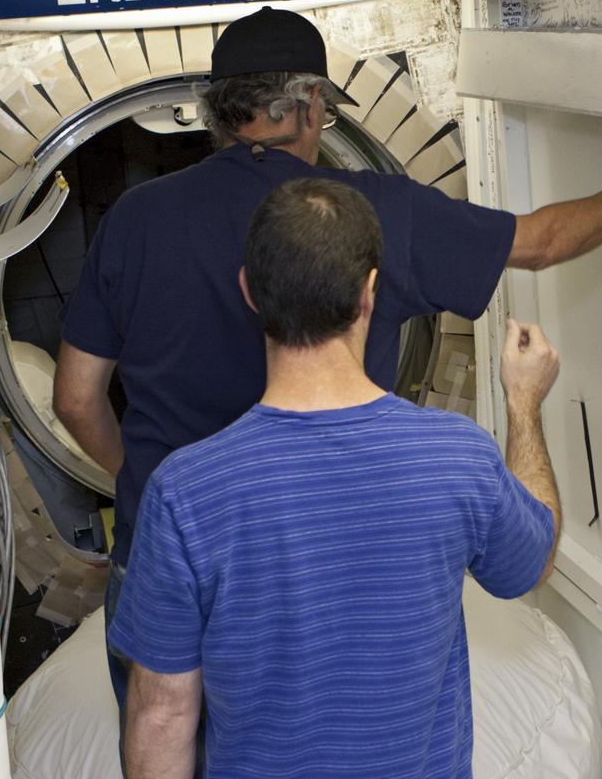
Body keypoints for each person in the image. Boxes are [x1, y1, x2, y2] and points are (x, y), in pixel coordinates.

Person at [50, 6, 602, 707]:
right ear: (308, 105)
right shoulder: (371, 212)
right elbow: (542, 242)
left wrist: (146, 481)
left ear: (219, 113)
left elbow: (74, 397)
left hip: (163, 555)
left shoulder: (136, 217)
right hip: (326, 565)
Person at [107, 177, 562, 777]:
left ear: (249, 291)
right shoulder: (456, 457)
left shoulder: (185, 491)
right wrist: (524, 404)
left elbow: (161, 715)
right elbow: (535, 559)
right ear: (370, 292)